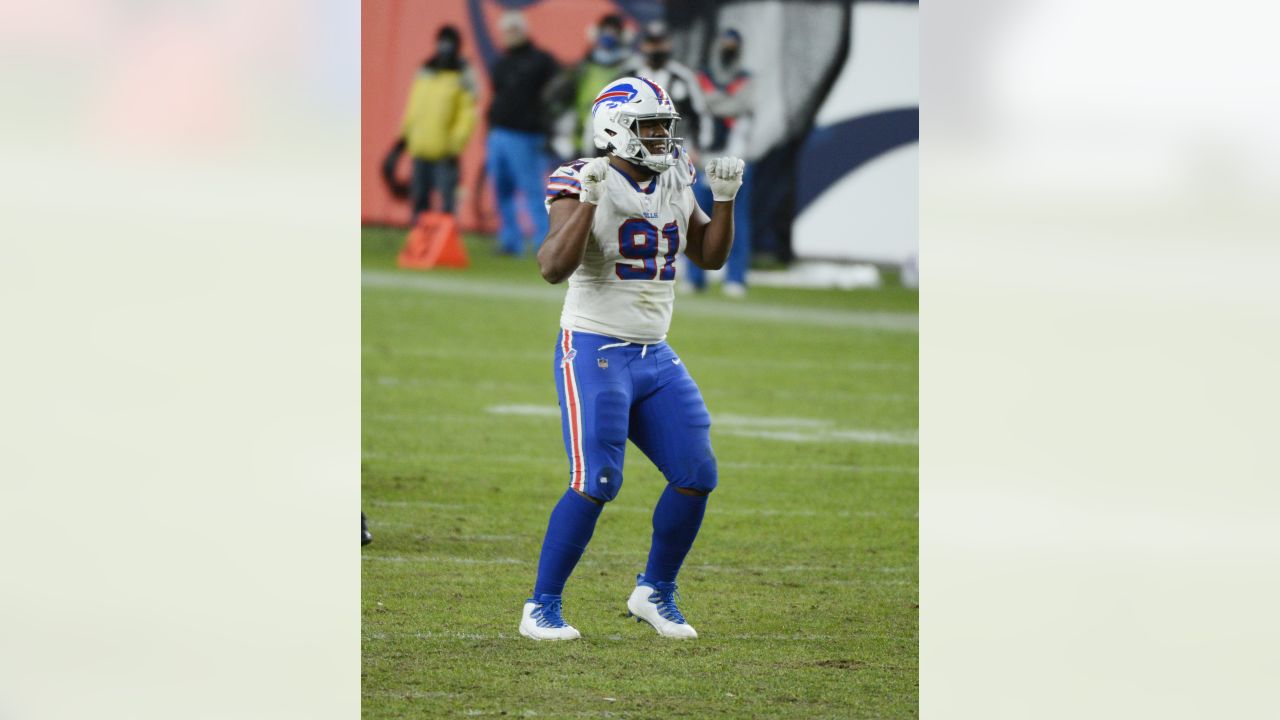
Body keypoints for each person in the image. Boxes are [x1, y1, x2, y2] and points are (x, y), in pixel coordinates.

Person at [518, 77, 745, 641]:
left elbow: (709, 257)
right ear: (615, 128)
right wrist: (591, 202)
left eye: (665, 127)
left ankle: (654, 590)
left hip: (653, 352)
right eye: (649, 126)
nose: (661, 138)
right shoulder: (581, 177)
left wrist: (726, 200)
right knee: (596, 478)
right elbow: (551, 266)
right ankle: (541, 606)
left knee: (696, 474)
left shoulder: (675, 174)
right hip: (594, 346)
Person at [687, 28, 756, 297]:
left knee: (735, 220)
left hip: (735, 157)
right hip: (703, 157)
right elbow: (695, 109)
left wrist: (712, 103)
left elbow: (742, 108)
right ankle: (695, 277)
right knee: (696, 220)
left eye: (732, 44)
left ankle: (735, 278)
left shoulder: (746, 79)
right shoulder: (701, 77)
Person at [485, 10, 559, 256]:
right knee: (501, 189)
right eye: (505, 32)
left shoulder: (541, 61)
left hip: (526, 134)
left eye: (513, 30)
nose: (508, 36)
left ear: (523, 31)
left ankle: (543, 241)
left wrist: (544, 123)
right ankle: (510, 240)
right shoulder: (502, 63)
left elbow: (557, 94)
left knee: (532, 190)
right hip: (499, 134)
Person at [393, 25, 477, 221]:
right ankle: (420, 247)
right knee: (419, 200)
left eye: (449, 43)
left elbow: (468, 114)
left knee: (447, 203)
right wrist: (404, 139)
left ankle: (444, 245)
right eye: (442, 42)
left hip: (444, 151)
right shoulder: (426, 70)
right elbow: (414, 108)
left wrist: (454, 144)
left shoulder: (462, 74)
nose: (444, 48)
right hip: (420, 148)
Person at [545, 14, 632, 160]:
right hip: (582, 141)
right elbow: (562, 102)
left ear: (622, 36)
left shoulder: (629, 68)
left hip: (616, 143)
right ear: (597, 33)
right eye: (605, 31)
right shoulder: (582, 67)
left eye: (614, 32)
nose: (609, 36)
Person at [622, 21, 713, 157]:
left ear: (669, 44)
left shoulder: (683, 77)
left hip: (674, 151)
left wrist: (699, 147)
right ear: (643, 45)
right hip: (635, 152)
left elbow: (700, 113)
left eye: (660, 42)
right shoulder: (629, 76)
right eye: (652, 42)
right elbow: (610, 115)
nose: (656, 48)